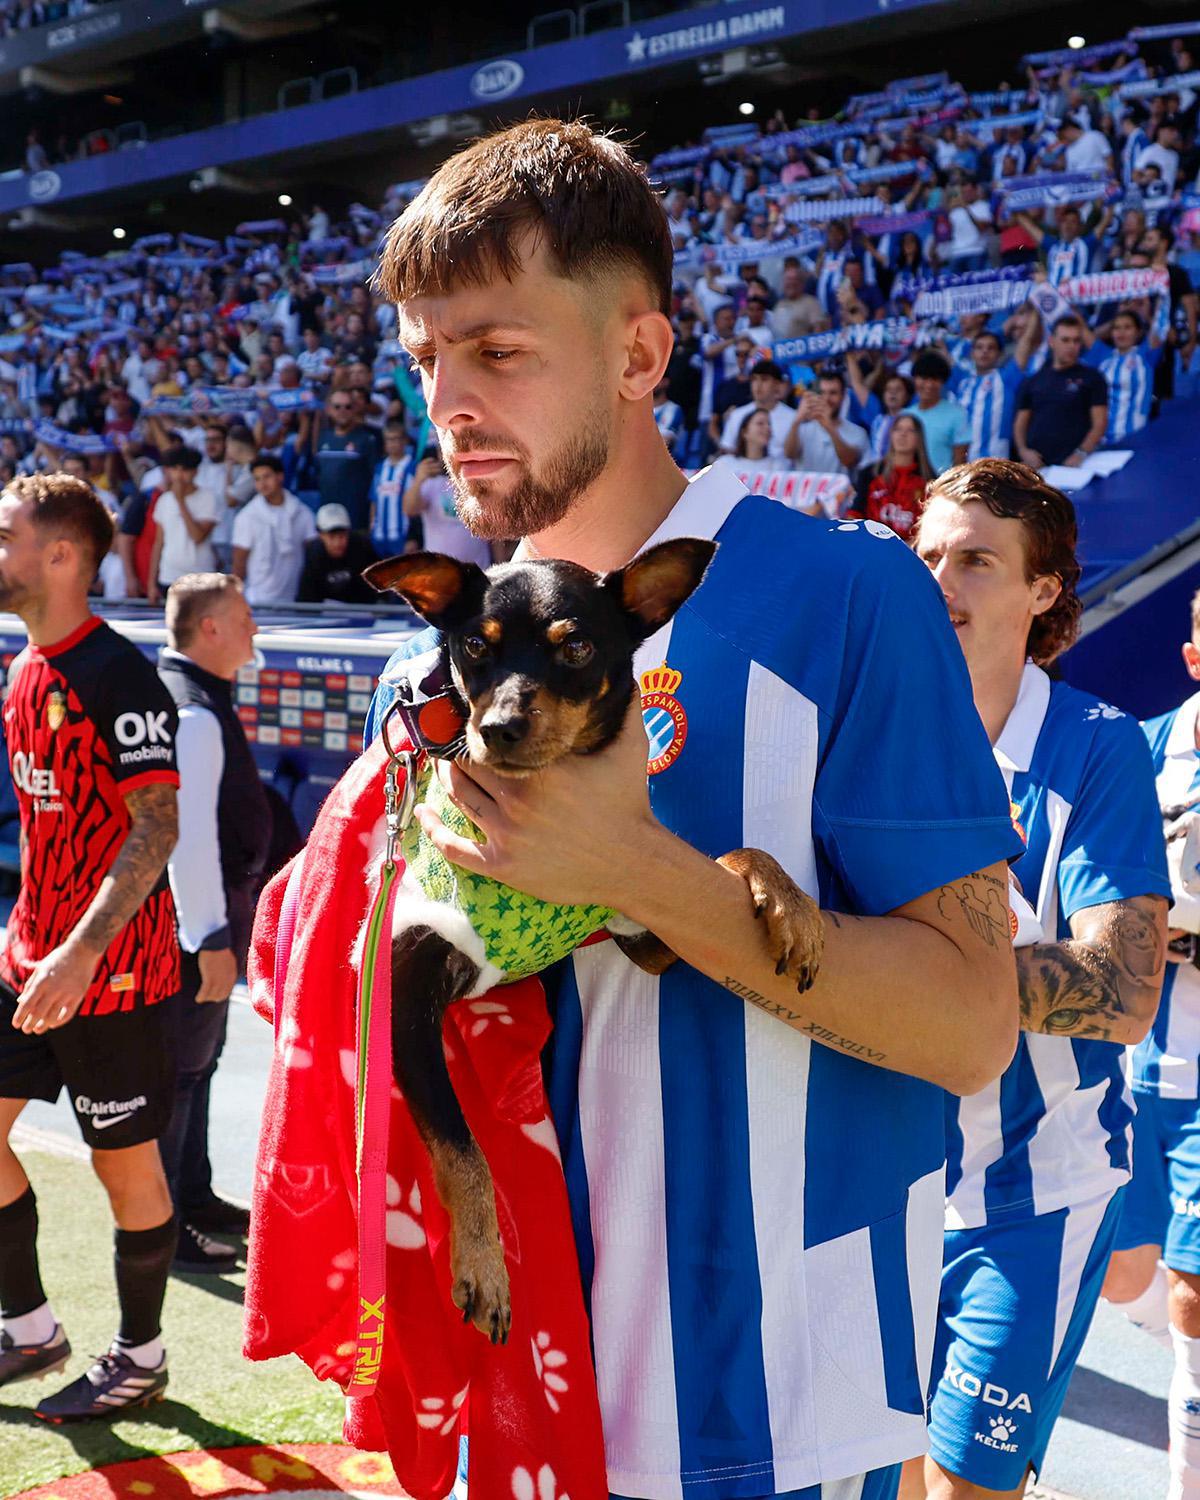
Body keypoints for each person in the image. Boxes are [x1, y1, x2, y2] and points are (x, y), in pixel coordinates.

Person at [360, 117, 1022, 1500]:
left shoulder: (848, 594)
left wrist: (643, 874)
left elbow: (973, 1027)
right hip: (510, 1395)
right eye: (426, 360)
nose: (451, 403)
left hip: (782, 1417)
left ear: (640, 355)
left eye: (498, 349)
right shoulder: (436, 660)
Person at [908, 459, 1169, 1500]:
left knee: (962, 1491)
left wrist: (909, 967)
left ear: (1045, 590)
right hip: (872, 1179)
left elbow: (1122, 988)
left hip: (1031, 1193)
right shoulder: (869, 736)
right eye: (927, 557)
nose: (941, 584)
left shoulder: (1095, 746)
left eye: (975, 560)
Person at [0, 473, 182, 1419]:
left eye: (6, 536)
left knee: (125, 1167)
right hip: (27, 957)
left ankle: (141, 1358)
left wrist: (77, 954)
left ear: (60, 554)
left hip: (113, 976)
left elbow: (154, 833)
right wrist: (28, 932)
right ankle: (29, 1328)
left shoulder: (120, 675)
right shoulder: (24, 669)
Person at [1103, 590, 1200, 1500]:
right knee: (1117, 1276)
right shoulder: (1142, 746)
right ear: (1193, 656)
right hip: (1128, 1071)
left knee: (1192, 1292)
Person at [158, 574, 270, 1272]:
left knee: (199, 1067)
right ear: (210, 630)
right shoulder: (193, 712)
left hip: (209, 922)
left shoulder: (196, 701)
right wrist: (210, 942)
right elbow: (187, 841)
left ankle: (192, 1198)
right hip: (196, 930)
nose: (255, 632)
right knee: (179, 1072)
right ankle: (166, 1224)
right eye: (245, 621)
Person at [1013, 316, 1110, 470]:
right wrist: (1023, 451)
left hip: (1075, 467)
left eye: (1076, 340)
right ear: (1052, 341)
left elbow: (1100, 423)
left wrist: (1081, 453)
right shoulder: (1033, 380)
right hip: (1038, 467)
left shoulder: (1093, 378)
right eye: (1065, 340)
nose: (1071, 346)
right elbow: (1020, 422)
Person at [231, 453, 316, 605]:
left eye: (267, 476)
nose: (262, 483)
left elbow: (312, 556)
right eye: (257, 479)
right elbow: (239, 562)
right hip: (258, 601)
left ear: (280, 477)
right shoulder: (247, 517)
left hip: (294, 601)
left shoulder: (303, 513)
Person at [950, 324, 1041, 461]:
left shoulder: (1006, 378)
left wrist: (1037, 307)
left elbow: (1026, 342)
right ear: (972, 353)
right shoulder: (963, 383)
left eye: (991, 348)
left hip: (996, 461)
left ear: (999, 354)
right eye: (979, 347)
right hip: (963, 463)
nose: (985, 351)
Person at [147, 446, 219, 606]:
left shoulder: (208, 497)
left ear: (195, 472)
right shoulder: (164, 500)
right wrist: (151, 583)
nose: (179, 475)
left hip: (201, 576)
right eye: (175, 469)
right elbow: (159, 542)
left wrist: (180, 501)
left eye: (185, 469)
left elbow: (198, 536)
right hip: (169, 575)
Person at [401, 449, 496, 569]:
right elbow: (409, 509)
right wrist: (418, 480)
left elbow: (494, 532)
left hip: (478, 570)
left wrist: (500, 564)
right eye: (442, 451)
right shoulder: (432, 483)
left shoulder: (479, 482)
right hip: (440, 572)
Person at [1081, 308, 1163, 445]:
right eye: (1116, 328)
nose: (1121, 333)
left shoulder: (1145, 354)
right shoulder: (1102, 355)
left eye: (1127, 327)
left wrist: (1153, 304)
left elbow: (1161, 324)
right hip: (1101, 441)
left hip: (1135, 438)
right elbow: (1075, 322)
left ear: (1138, 332)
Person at [851, 412, 933, 541]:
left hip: (911, 552)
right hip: (870, 546)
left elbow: (932, 527)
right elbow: (854, 514)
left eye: (910, 430)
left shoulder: (930, 481)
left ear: (919, 438)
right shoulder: (869, 473)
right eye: (898, 429)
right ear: (891, 435)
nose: (903, 434)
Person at [783, 367, 869, 475]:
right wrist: (796, 421)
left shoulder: (858, 433)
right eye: (822, 393)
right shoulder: (803, 428)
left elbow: (849, 461)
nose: (826, 399)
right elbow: (789, 454)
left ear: (843, 396)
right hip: (806, 491)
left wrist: (829, 427)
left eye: (833, 393)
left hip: (839, 492)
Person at [314, 390, 379, 529]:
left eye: (348, 406)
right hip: (327, 517)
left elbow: (375, 479)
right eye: (337, 407)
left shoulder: (367, 439)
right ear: (329, 410)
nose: (342, 411)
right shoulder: (322, 438)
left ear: (354, 409)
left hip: (357, 519)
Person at [296, 503, 379, 604]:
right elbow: (307, 598)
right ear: (321, 535)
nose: (337, 543)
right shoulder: (313, 555)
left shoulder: (362, 548)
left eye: (342, 536)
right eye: (331, 537)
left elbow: (376, 590)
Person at [904, 352, 971, 475]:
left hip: (941, 487)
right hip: (908, 487)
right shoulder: (906, 415)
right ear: (914, 379)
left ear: (943, 382)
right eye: (924, 378)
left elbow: (960, 460)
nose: (929, 385)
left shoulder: (957, 414)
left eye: (935, 379)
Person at [717, 360, 794, 458]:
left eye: (764, 379)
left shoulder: (793, 418)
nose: (758, 385)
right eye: (754, 379)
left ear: (777, 385)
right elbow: (727, 450)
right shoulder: (737, 415)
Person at [369, 420, 409, 556]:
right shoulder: (380, 468)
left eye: (396, 439)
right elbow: (374, 500)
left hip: (402, 535)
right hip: (379, 536)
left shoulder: (413, 467)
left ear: (404, 441)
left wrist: (414, 536)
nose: (393, 443)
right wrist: (371, 526)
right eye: (389, 439)